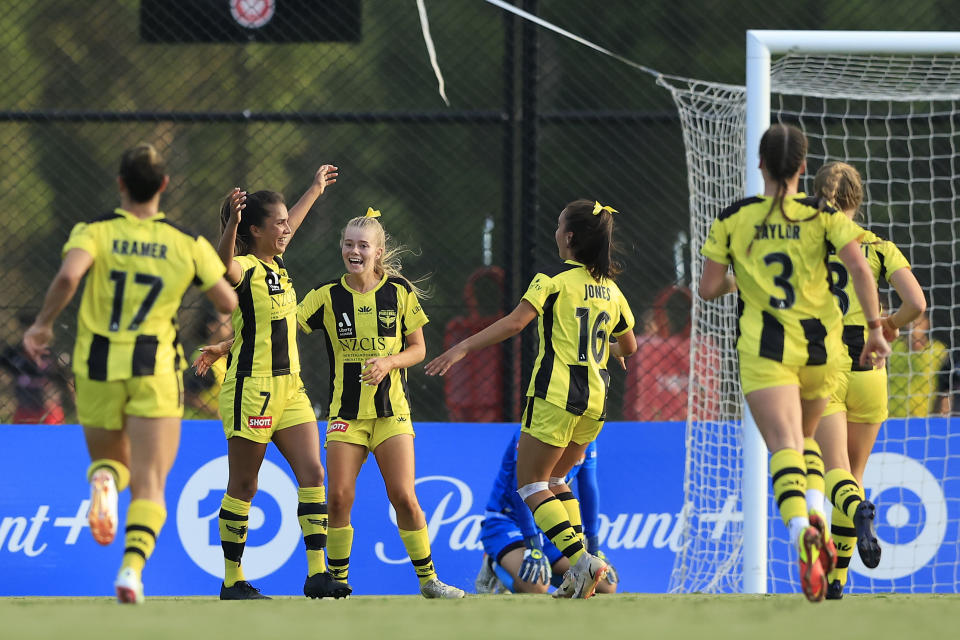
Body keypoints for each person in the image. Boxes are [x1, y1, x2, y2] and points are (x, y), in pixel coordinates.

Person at [21, 143, 237, 604]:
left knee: (110, 464)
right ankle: (132, 571)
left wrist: (42, 325)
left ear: (121, 184)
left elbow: (67, 278)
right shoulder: (186, 241)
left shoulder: (95, 230)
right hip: (153, 367)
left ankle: (101, 482)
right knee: (151, 483)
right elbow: (227, 300)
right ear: (163, 185)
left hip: (97, 364)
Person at [697, 124, 890, 603]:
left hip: (768, 350)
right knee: (809, 446)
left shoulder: (734, 218)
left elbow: (707, 287)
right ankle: (823, 528)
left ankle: (803, 530)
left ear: (759, 164)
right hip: (822, 349)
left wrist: (742, 280)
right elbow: (861, 269)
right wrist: (874, 328)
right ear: (803, 168)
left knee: (786, 444)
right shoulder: (824, 215)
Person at [427, 199, 637, 600]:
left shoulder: (551, 283)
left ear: (570, 237)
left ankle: (581, 562)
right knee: (559, 480)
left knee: (531, 486)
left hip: (555, 397)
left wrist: (462, 349)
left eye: (560, 226)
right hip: (596, 402)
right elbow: (628, 344)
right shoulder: (612, 291)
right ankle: (582, 566)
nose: (556, 232)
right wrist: (607, 350)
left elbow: (513, 323)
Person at [198, 166, 353, 601]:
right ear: (255, 230)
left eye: (287, 221)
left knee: (313, 473)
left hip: (291, 387)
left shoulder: (276, 261)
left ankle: (317, 575)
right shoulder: (245, 267)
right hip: (253, 387)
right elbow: (219, 266)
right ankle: (233, 579)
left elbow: (293, 223)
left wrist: (316, 188)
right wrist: (230, 224)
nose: (287, 228)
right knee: (244, 486)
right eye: (278, 223)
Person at [295, 208, 465, 599]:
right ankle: (337, 581)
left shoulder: (399, 291)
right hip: (346, 415)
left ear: (378, 251)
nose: (354, 251)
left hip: (392, 414)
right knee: (337, 497)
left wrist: (389, 362)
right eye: (348, 244)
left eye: (362, 245)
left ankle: (429, 581)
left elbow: (419, 348)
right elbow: (282, 329)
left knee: (404, 497)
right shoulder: (325, 295)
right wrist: (228, 344)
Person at [812, 161, 927, 599]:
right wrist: (893, 324)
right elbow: (916, 302)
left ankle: (860, 512)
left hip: (824, 366)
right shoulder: (879, 247)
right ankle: (838, 581)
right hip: (871, 368)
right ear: (857, 201)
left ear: (818, 199)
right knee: (854, 473)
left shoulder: (807, 246)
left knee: (834, 473)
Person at [474, 429, 618, 595]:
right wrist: (533, 544)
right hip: (509, 522)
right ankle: (493, 563)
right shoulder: (534, 428)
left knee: (604, 585)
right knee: (536, 586)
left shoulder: (583, 431)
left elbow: (588, 489)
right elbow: (521, 490)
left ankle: (565, 576)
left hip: (550, 523)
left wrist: (592, 546)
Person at [2, 313, 69, 424]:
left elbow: (66, 379)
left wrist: (76, 404)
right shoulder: (12, 353)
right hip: (23, 407)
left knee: (53, 438)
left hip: (49, 409)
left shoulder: (51, 353)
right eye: (26, 329)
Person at [887, 311, 948, 418]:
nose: (913, 328)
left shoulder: (938, 350)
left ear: (927, 324)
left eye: (917, 324)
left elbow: (946, 386)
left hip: (921, 418)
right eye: (910, 323)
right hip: (889, 416)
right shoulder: (893, 345)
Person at [184, 307, 232, 420]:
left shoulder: (226, 358)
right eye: (225, 323)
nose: (230, 326)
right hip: (200, 426)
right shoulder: (203, 357)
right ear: (211, 327)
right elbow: (188, 395)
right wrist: (214, 413)